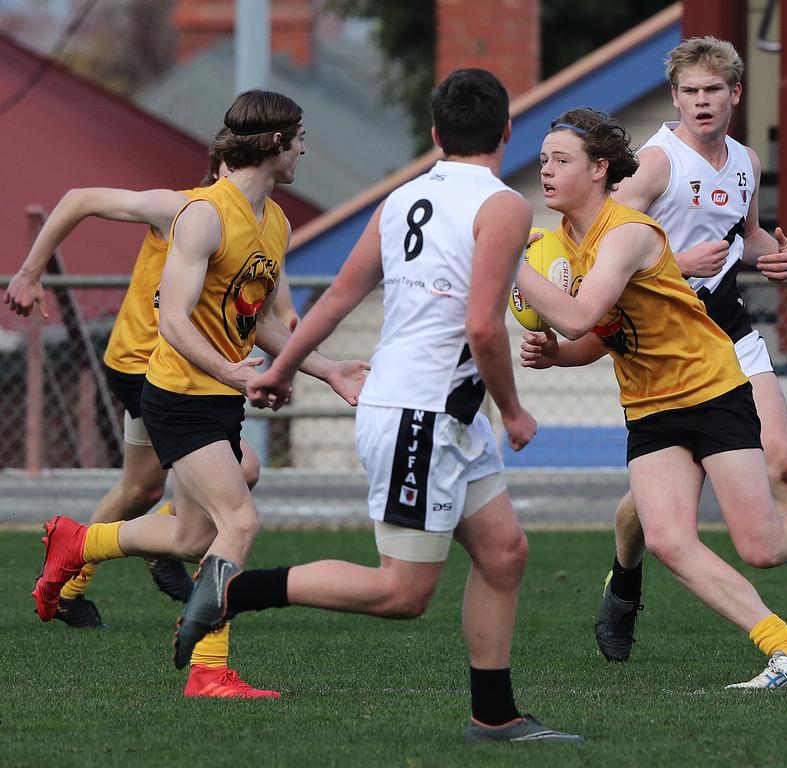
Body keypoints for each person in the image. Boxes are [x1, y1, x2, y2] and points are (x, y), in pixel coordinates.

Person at [172, 69, 582, 741]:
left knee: (504, 553)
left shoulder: (404, 198)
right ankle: (234, 592)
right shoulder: (503, 205)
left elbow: (337, 297)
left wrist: (279, 368)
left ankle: (495, 714)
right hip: (420, 416)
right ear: (509, 132)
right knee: (402, 594)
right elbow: (483, 328)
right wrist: (513, 411)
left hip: (438, 413)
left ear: (434, 135)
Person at [517, 108, 787, 689]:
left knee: (761, 546)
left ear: (601, 169)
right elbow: (604, 335)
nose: (547, 172)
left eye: (561, 161)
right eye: (543, 161)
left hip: (711, 390)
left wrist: (508, 261)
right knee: (667, 540)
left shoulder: (628, 232)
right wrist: (557, 355)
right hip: (650, 405)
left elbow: (578, 315)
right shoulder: (562, 246)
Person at [29, 90, 368, 698]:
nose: (304, 150)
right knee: (238, 518)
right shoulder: (204, 213)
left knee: (190, 537)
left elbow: (256, 319)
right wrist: (241, 374)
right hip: (177, 391)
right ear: (273, 145)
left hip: (218, 396)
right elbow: (175, 321)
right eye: (298, 140)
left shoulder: (276, 222)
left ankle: (80, 541)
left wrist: (329, 368)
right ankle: (210, 672)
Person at [591, 36, 787, 665]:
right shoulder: (656, 164)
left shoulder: (745, 160)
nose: (701, 102)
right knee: (660, 496)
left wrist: (780, 253)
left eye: (712, 90)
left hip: (730, 331)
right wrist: (674, 261)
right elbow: (606, 238)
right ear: (675, 98)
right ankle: (625, 582)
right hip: (665, 342)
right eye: (689, 92)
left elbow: (744, 233)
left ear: (735, 93)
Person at [3, 133, 299, 630]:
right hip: (147, 367)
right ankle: (156, 546)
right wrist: (30, 273)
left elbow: (276, 307)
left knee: (142, 489)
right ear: (231, 163)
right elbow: (79, 199)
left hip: (190, 372)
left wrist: (304, 351)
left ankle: (90, 570)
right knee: (238, 471)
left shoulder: (259, 226)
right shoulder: (184, 210)